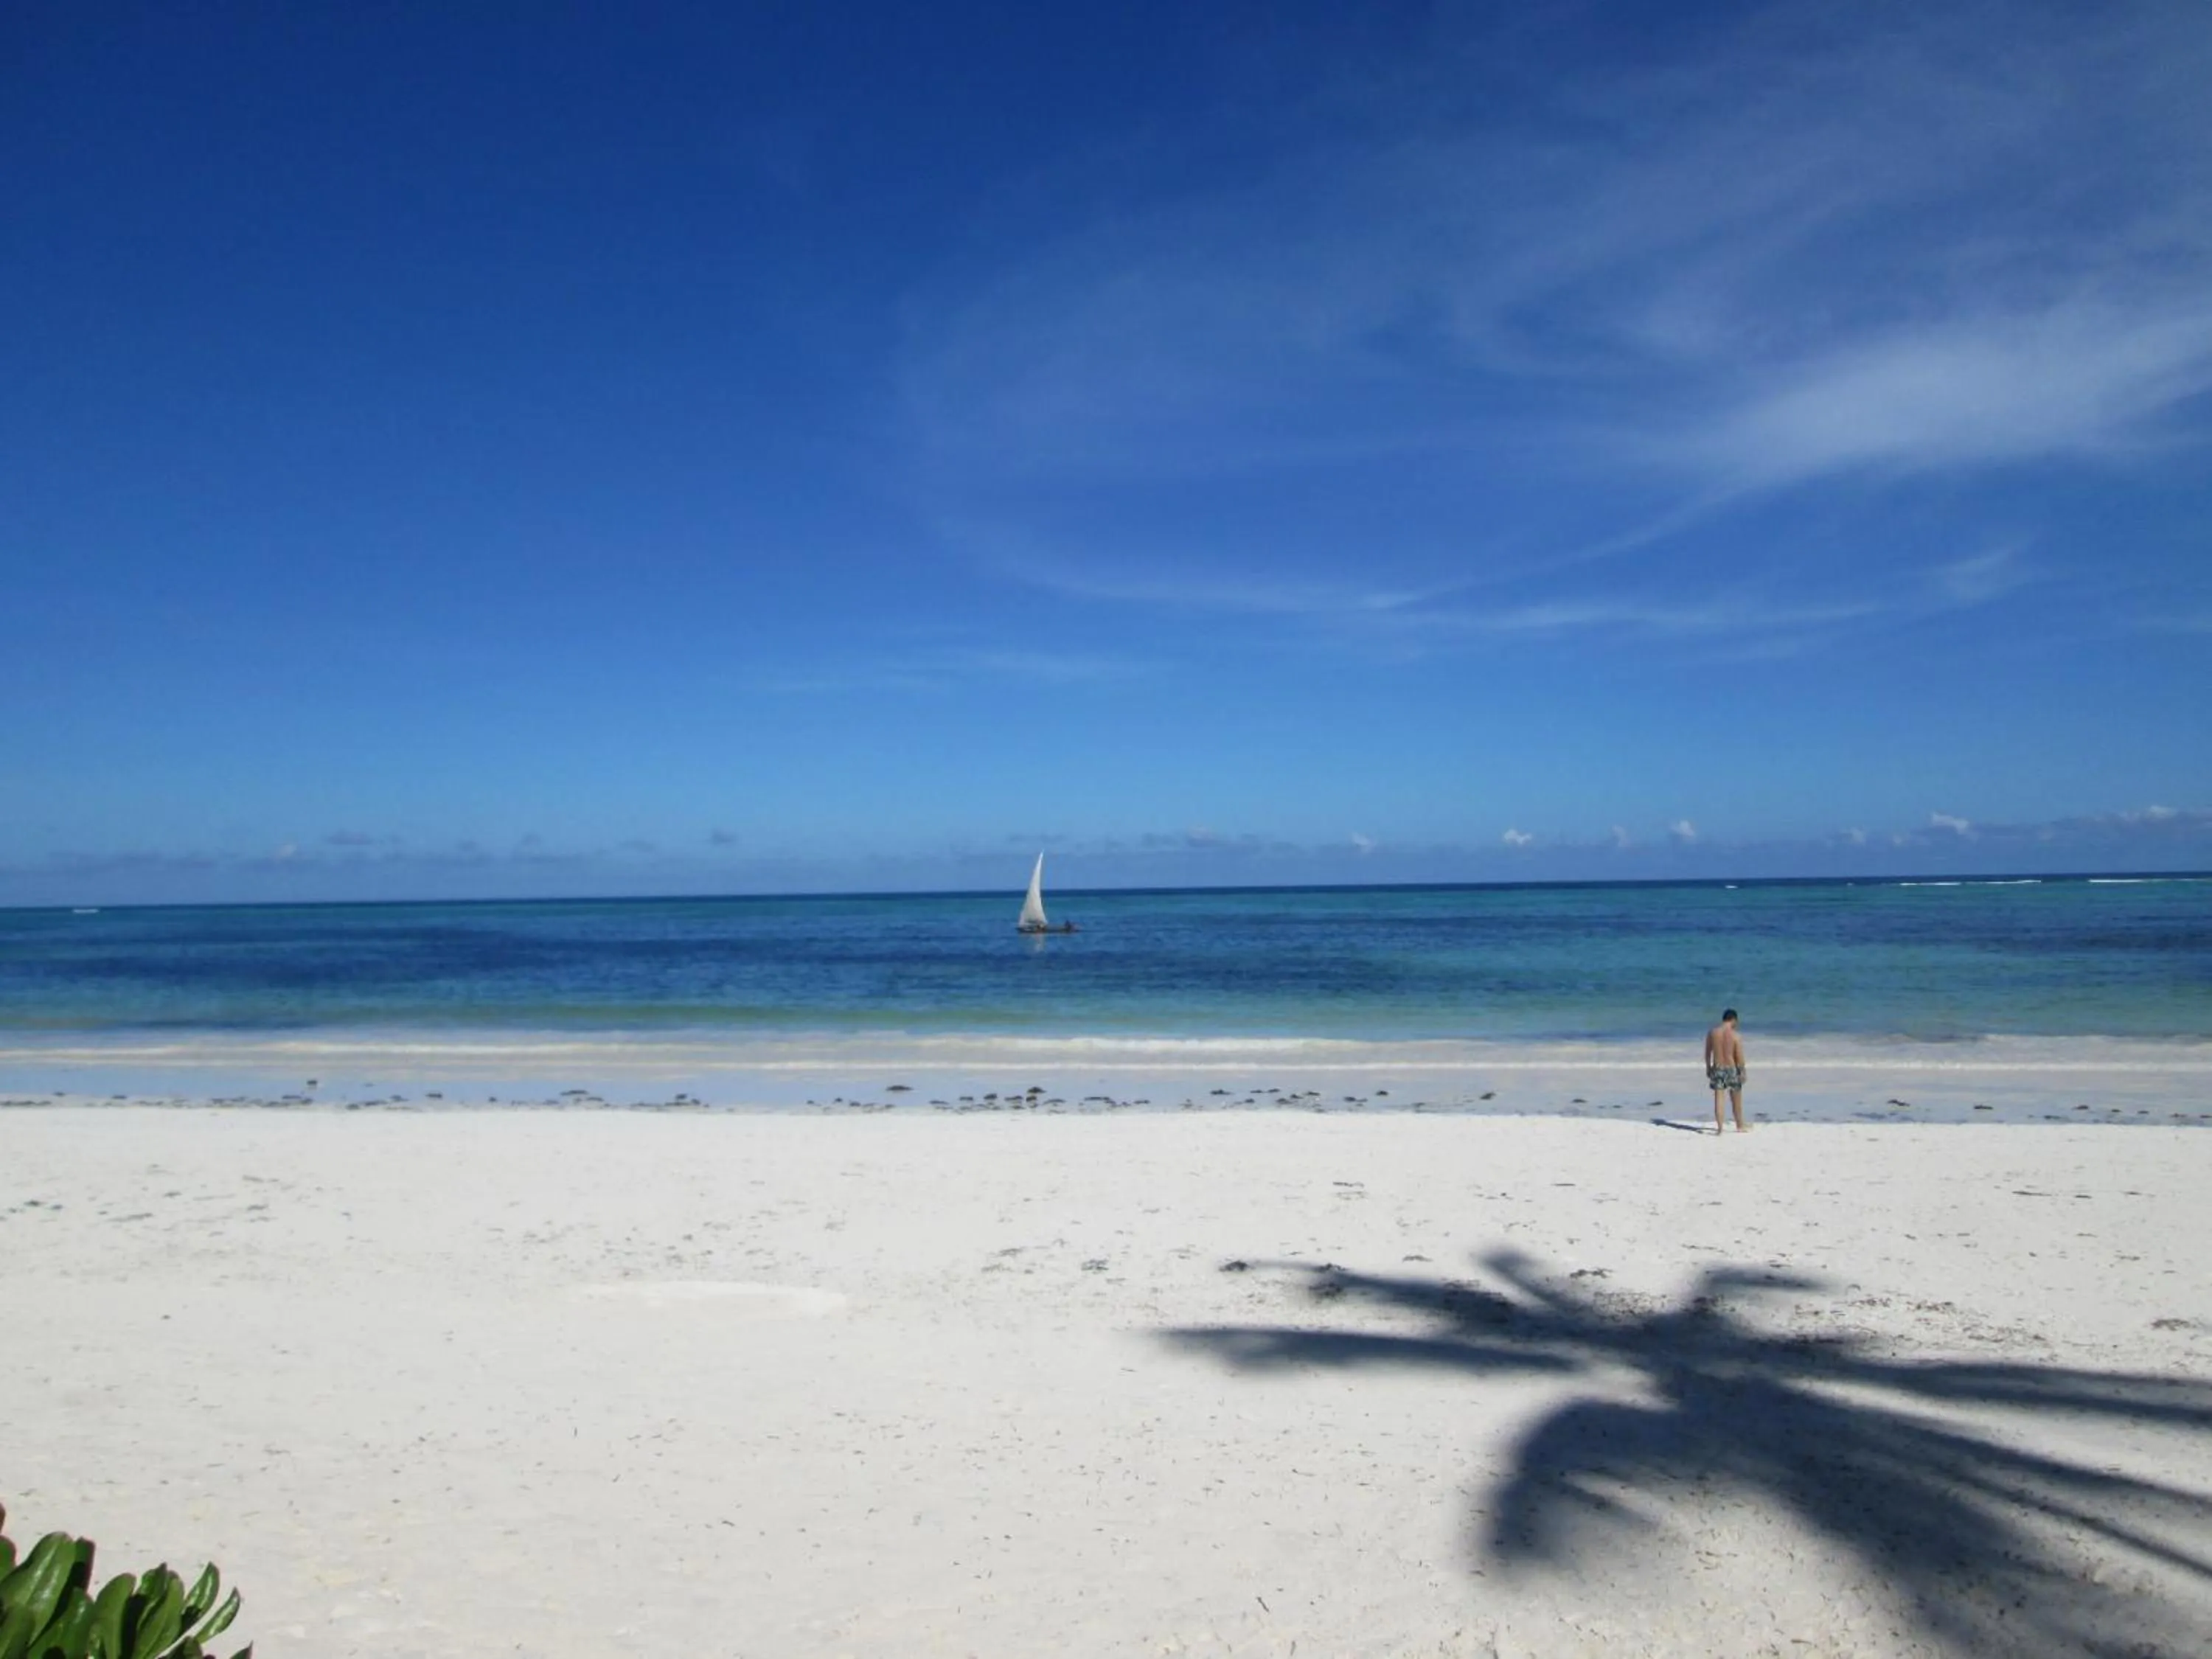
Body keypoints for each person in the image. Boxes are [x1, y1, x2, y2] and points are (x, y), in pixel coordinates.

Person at [1705, 1008, 1748, 1134]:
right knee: (1736, 1098)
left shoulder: (1713, 1033)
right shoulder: (1736, 1036)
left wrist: (1708, 1067)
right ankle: (1740, 1126)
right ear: (1733, 1020)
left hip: (1718, 1068)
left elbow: (1708, 1053)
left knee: (1719, 1098)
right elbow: (1739, 1057)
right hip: (1731, 1068)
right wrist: (1743, 1072)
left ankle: (1720, 1129)